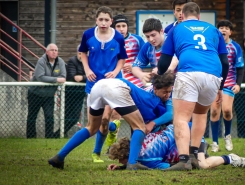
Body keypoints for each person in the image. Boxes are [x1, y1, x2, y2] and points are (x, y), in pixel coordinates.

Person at [48, 73, 174, 170]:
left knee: (91, 127)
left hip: (98, 86)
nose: (167, 95)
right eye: (165, 92)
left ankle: (59, 157)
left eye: (169, 92)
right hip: (117, 88)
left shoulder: (147, 91)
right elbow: (163, 115)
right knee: (140, 127)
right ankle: (132, 164)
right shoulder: (154, 100)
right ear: (156, 88)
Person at [157, 2, 229, 170]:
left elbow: (164, 62)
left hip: (189, 72)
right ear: (199, 16)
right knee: (200, 113)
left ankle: (183, 161)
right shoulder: (213, 30)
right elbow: (225, 62)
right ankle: (195, 154)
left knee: (181, 118)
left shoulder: (176, 29)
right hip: (213, 74)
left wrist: (161, 73)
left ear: (182, 14)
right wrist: (220, 87)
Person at [77, 6, 128, 162]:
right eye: (101, 19)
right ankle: (113, 129)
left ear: (111, 21)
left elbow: (122, 58)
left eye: (107, 20)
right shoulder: (88, 35)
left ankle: (96, 153)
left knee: (105, 119)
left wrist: (115, 72)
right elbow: (83, 53)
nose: (104, 22)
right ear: (96, 20)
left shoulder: (118, 37)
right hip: (93, 83)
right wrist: (87, 70)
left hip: (111, 84)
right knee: (95, 124)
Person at [107, 124, 245, 170]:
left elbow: (166, 168)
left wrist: (138, 167)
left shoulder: (147, 157)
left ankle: (230, 158)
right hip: (182, 129)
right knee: (193, 161)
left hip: (189, 136)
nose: (120, 162)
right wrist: (121, 168)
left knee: (202, 164)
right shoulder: (137, 143)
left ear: (127, 155)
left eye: (120, 160)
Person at [102, 14, 145, 153]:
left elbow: (146, 58)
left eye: (124, 26)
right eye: (118, 26)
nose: (121, 29)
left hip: (135, 82)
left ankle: (135, 145)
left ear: (127, 27)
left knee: (137, 114)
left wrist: (133, 65)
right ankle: (112, 145)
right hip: (117, 80)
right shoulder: (111, 40)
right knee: (114, 115)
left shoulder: (137, 40)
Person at [210, 20, 244, 152]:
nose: (223, 30)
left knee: (227, 111)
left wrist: (238, 84)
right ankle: (214, 142)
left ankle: (227, 136)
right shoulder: (213, 46)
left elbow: (240, 68)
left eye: (226, 28)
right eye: (221, 28)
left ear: (230, 31)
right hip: (214, 83)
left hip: (229, 84)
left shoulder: (236, 47)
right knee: (214, 111)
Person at [26, 43, 66, 138]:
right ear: (47, 52)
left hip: (49, 95)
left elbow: (63, 76)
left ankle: (49, 137)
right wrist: (55, 80)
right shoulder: (41, 61)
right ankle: (31, 137)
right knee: (32, 116)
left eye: (56, 50)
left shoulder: (60, 62)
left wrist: (54, 79)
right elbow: (40, 77)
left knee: (49, 117)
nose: (54, 52)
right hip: (35, 93)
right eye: (52, 50)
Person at [132, 18, 177, 86]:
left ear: (161, 31)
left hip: (177, 82)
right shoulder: (147, 47)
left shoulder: (171, 41)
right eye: (147, 36)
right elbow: (135, 67)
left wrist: (160, 71)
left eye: (153, 35)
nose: (151, 39)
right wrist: (141, 75)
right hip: (159, 85)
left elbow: (174, 62)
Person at [64, 44, 86, 137]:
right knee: (68, 116)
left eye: (83, 53)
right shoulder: (72, 61)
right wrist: (85, 77)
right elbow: (72, 77)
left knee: (75, 117)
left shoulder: (88, 62)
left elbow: (93, 76)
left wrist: (82, 77)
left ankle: (58, 133)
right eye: (80, 53)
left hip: (80, 93)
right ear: (77, 53)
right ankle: (60, 133)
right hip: (70, 93)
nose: (81, 56)